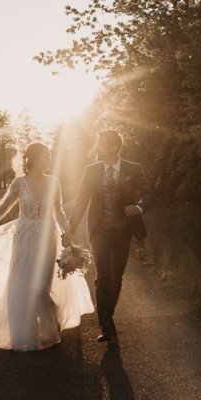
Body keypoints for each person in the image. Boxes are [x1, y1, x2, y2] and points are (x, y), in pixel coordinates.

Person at [0, 143, 93, 351]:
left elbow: (59, 212)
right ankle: (26, 335)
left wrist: (68, 233)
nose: (49, 159)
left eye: (50, 156)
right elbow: (1, 209)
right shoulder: (19, 183)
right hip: (24, 240)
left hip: (47, 239)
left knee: (39, 288)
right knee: (21, 286)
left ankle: (50, 325)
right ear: (33, 158)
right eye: (46, 156)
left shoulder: (54, 182)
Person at [69, 129, 155, 342]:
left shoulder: (133, 169)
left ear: (113, 147)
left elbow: (149, 195)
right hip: (99, 230)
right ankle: (105, 325)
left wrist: (139, 206)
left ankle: (108, 315)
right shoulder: (90, 171)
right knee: (102, 276)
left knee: (116, 278)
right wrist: (68, 231)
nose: (96, 147)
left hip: (123, 231)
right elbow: (80, 203)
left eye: (100, 144)